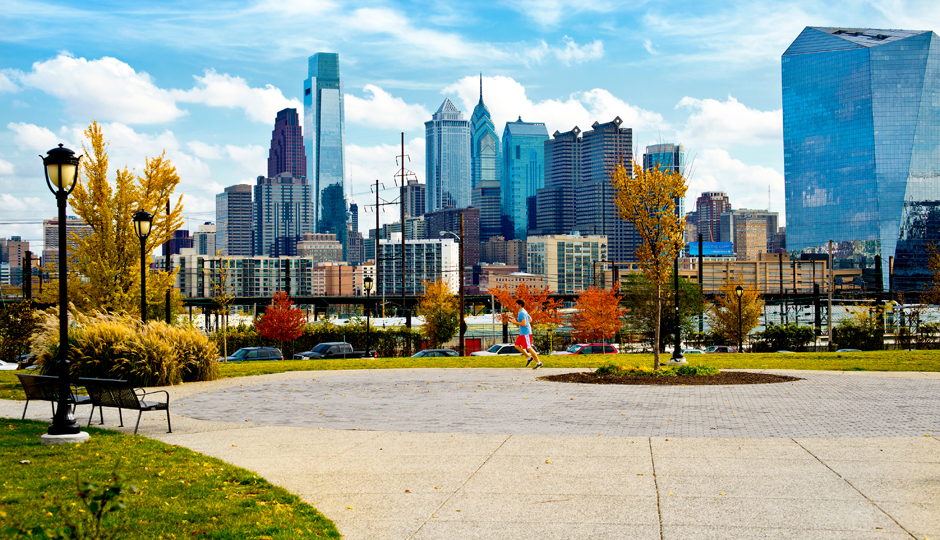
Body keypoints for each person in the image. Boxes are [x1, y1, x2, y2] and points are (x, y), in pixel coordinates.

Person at [508, 299, 541, 369]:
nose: (515, 305)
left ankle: (539, 362)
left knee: (529, 348)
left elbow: (524, 323)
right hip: (522, 333)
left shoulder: (522, 313)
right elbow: (530, 319)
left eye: (516, 304)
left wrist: (515, 322)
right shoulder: (523, 311)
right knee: (516, 345)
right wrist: (526, 325)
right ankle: (529, 358)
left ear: (520, 305)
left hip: (526, 333)